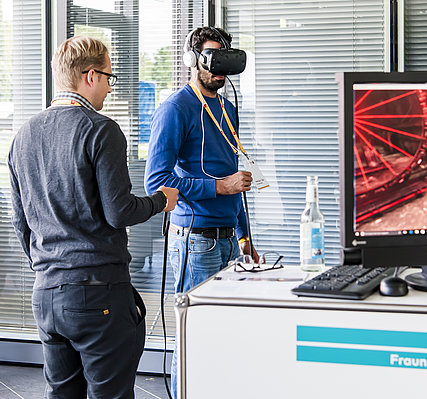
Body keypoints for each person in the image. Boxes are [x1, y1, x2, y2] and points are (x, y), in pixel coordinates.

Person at [8, 36, 179, 399]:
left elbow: (20, 222)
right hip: (96, 291)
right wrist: (160, 201)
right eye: (108, 77)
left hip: (46, 293)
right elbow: (120, 212)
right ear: (89, 76)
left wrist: (51, 267)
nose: (109, 87)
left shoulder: (22, 136)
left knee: (61, 393)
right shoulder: (101, 129)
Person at [144, 26, 259, 398]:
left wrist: (244, 236)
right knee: (194, 336)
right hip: (195, 243)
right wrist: (217, 187)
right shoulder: (175, 109)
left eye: (224, 56)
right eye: (211, 57)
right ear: (192, 61)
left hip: (228, 239)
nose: (219, 66)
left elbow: (233, 179)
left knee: (224, 337)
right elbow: (156, 182)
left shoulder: (227, 109)